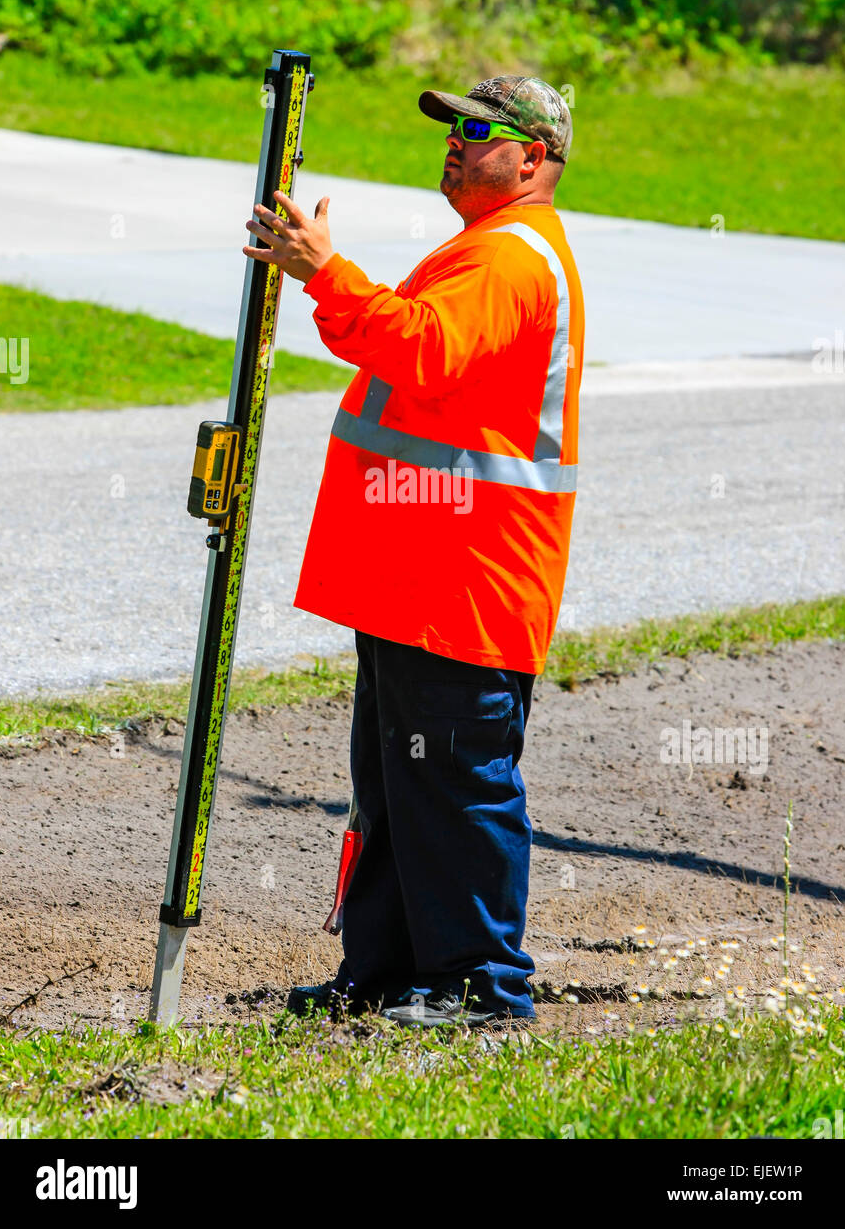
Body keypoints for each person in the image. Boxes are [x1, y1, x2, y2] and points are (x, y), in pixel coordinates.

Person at [243, 75, 584, 1028]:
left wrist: (327, 271)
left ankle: (482, 988)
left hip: (468, 581)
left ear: (533, 159)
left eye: (480, 131)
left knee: (456, 786)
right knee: (396, 782)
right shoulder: (482, 248)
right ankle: (387, 970)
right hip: (421, 579)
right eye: (451, 127)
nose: (455, 142)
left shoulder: (511, 260)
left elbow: (425, 351)